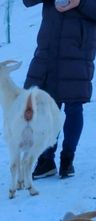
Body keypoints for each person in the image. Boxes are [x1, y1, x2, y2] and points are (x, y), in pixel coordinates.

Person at [23, 0, 96, 179]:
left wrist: (80, 2)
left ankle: (67, 160)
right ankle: (46, 160)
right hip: (48, 53)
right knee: (45, 110)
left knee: (73, 108)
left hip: (77, 54)